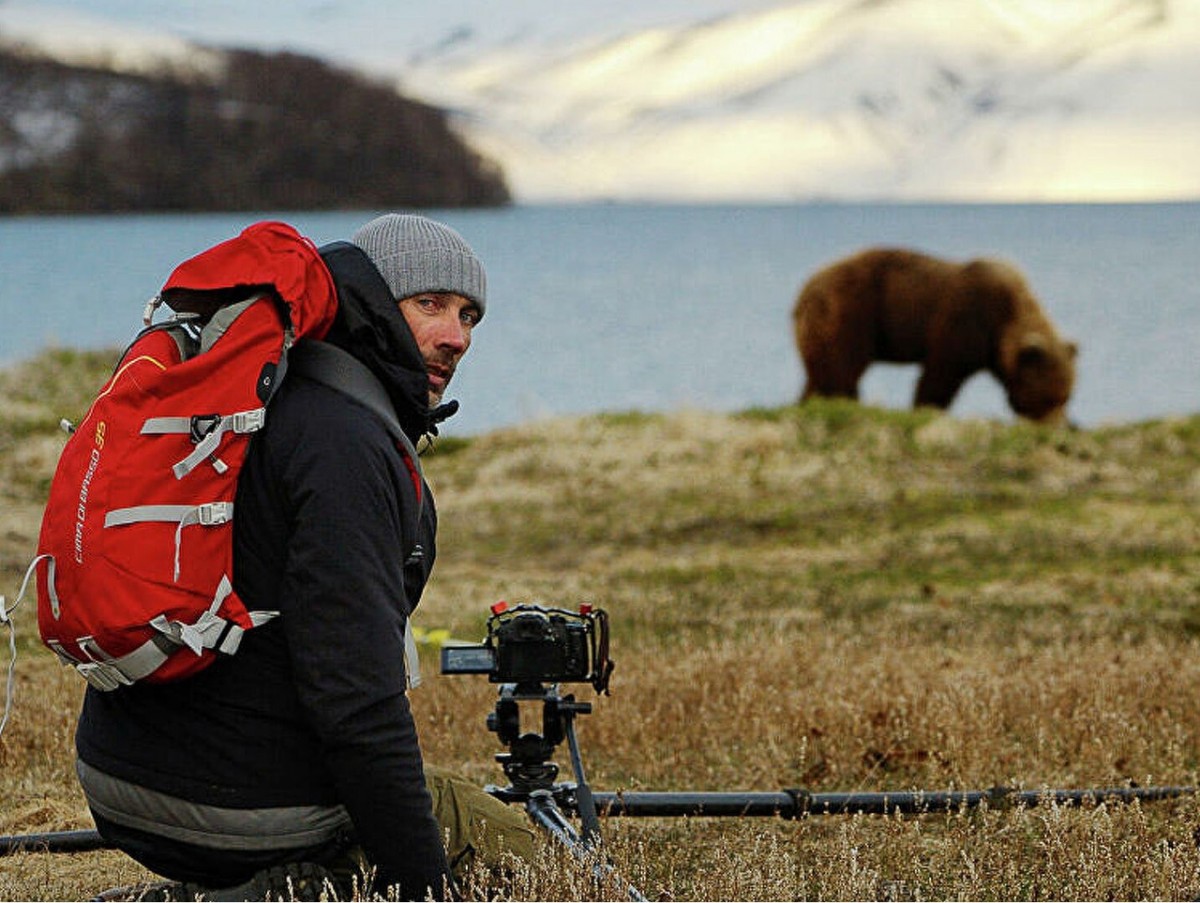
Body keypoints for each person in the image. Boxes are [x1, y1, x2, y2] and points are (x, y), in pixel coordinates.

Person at [73, 214, 536, 900]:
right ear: (375, 301)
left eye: (469, 315)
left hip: (115, 775)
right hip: (230, 807)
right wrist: (423, 887)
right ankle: (264, 889)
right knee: (523, 857)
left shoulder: (267, 390)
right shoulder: (347, 441)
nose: (456, 337)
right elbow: (357, 706)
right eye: (429, 304)